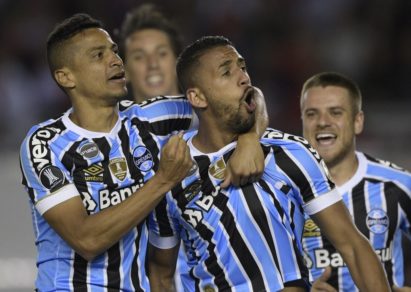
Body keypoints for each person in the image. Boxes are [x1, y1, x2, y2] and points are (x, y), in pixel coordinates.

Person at [19, 15, 268, 290]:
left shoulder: (152, 118)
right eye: (98, 55)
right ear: (66, 77)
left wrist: (249, 138)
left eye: (114, 50)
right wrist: (163, 180)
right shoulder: (44, 143)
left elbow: (241, 96)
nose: (115, 60)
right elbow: (86, 240)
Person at [146, 36, 390, 292]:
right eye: (226, 72)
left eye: (242, 67)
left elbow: (353, 246)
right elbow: (161, 274)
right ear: (197, 97)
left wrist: (251, 138)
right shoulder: (172, 169)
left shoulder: (289, 152)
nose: (243, 77)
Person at [299, 72, 411, 292]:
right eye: (312, 114)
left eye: (335, 112)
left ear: (357, 121)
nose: (323, 122)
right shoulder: (282, 193)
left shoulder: (398, 185)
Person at [119, 3, 182, 103]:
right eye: (139, 57)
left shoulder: (209, 117)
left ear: (177, 61)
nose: (153, 64)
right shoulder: (111, 119)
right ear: (124, 71)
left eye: (162, 54)